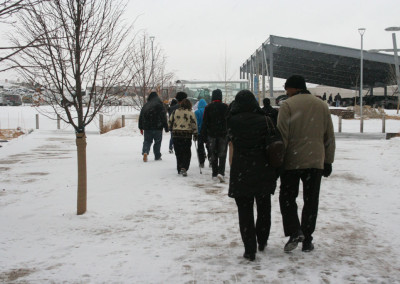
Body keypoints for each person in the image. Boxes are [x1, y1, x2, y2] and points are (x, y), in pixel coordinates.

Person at [277, 75, 336, 253]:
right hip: (315, 161)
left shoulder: (287, 106)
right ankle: (308, 238)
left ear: (293, 88)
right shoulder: (322, 105)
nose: (286, 92)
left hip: (292, 161)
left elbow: (282, 136)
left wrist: (279, 160)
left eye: (287, 88)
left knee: (287, 198)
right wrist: (328, 160)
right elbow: (329, 136)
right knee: (311, 200)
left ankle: (294, 231)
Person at [227, 90, 277, 261]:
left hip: (241, 171)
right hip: (263, 169)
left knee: (244, 210)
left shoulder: (232, 121)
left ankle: (249, 248)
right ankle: (262, 240)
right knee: (264, 207)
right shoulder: (266, 120)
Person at [201, 89, 229, 182]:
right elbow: (229, 121)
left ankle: (214, 173)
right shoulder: (226, 107)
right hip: (223, 134)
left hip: (212, 135)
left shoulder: (208, 107)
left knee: (213, 154)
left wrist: (203, 136)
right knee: (222, 154)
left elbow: (205, 122)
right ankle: (221, 173)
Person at [169, 98, 197, 177]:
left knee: (178, 152)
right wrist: (195, 133)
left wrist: (171, 128)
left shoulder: (175, 112)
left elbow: (170, 121)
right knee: (186, 152)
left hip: (176, 135)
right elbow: (193, 124)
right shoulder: (191, 113)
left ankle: (179, 167)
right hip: (186, 136)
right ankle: (184, 167)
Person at [138, 91, 169, 162]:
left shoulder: (146, 105)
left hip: (147, 127)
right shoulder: (160, 105)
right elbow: (163, 117)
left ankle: (145, 152)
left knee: (147, 141)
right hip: (158, 127)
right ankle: (157, 155)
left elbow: (141, 117)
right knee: (157, 142)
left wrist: (141, 127)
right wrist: (166, 127)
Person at [194, 99, 209, 167]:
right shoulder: (208, 111)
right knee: (209, 146)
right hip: (207, 132)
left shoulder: (196, 112)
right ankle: (211, 159)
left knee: (200, 147)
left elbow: (195, 123)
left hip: (199, 132)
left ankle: (201, 162)